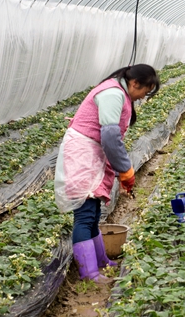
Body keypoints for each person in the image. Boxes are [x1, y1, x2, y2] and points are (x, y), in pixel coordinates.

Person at [54, 64, 160, 282]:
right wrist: (125, 169)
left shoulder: (118, 92)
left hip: (91, 154)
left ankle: (101, 261)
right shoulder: (112, 93)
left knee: (93, 214)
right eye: (144, 91)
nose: (142, 97)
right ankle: (88, 273)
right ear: (134, 83)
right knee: (84, 216)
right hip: (83, 156)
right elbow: (110, 137)